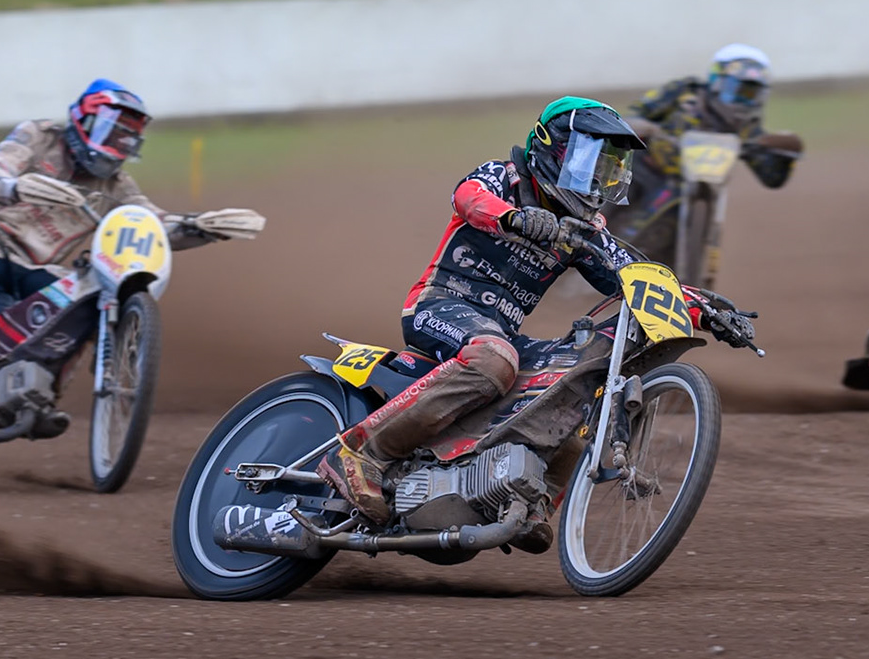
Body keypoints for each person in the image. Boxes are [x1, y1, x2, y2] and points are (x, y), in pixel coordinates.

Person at [317, 96, 759, 525]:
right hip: (440, 305)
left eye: (609, 169)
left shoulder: (585, 230)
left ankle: (529, 499)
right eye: (590, 161)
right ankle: (361, 452)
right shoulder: (502, 177)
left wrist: (706, 309)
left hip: (500, 333)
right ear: (551, 147)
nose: (598, 180)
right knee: (495, 360)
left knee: (578, 380)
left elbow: (636, 278)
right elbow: (467, 198)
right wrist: (515, 218)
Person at [0, 80, 257, 449]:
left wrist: (202, 227)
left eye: (126, 137)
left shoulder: (117, 186)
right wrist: (16, 184)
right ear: (82, 120)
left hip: (38, 269)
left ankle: (26, 398)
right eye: (110, 131)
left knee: (77, 311)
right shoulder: (38, 136)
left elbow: (151, 224)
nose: (116, 144)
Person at [610, 44, 803, 263]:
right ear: (716, 81)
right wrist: (644, 126)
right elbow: (635, 114)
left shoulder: (748, 127)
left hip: (700, 187)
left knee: (669, 254)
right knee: (613, 183)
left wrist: (787, 155)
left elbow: (772, 179)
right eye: (738, 90)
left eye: (751, 93)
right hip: (647, 169)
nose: (743, 99)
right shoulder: (684, 92)